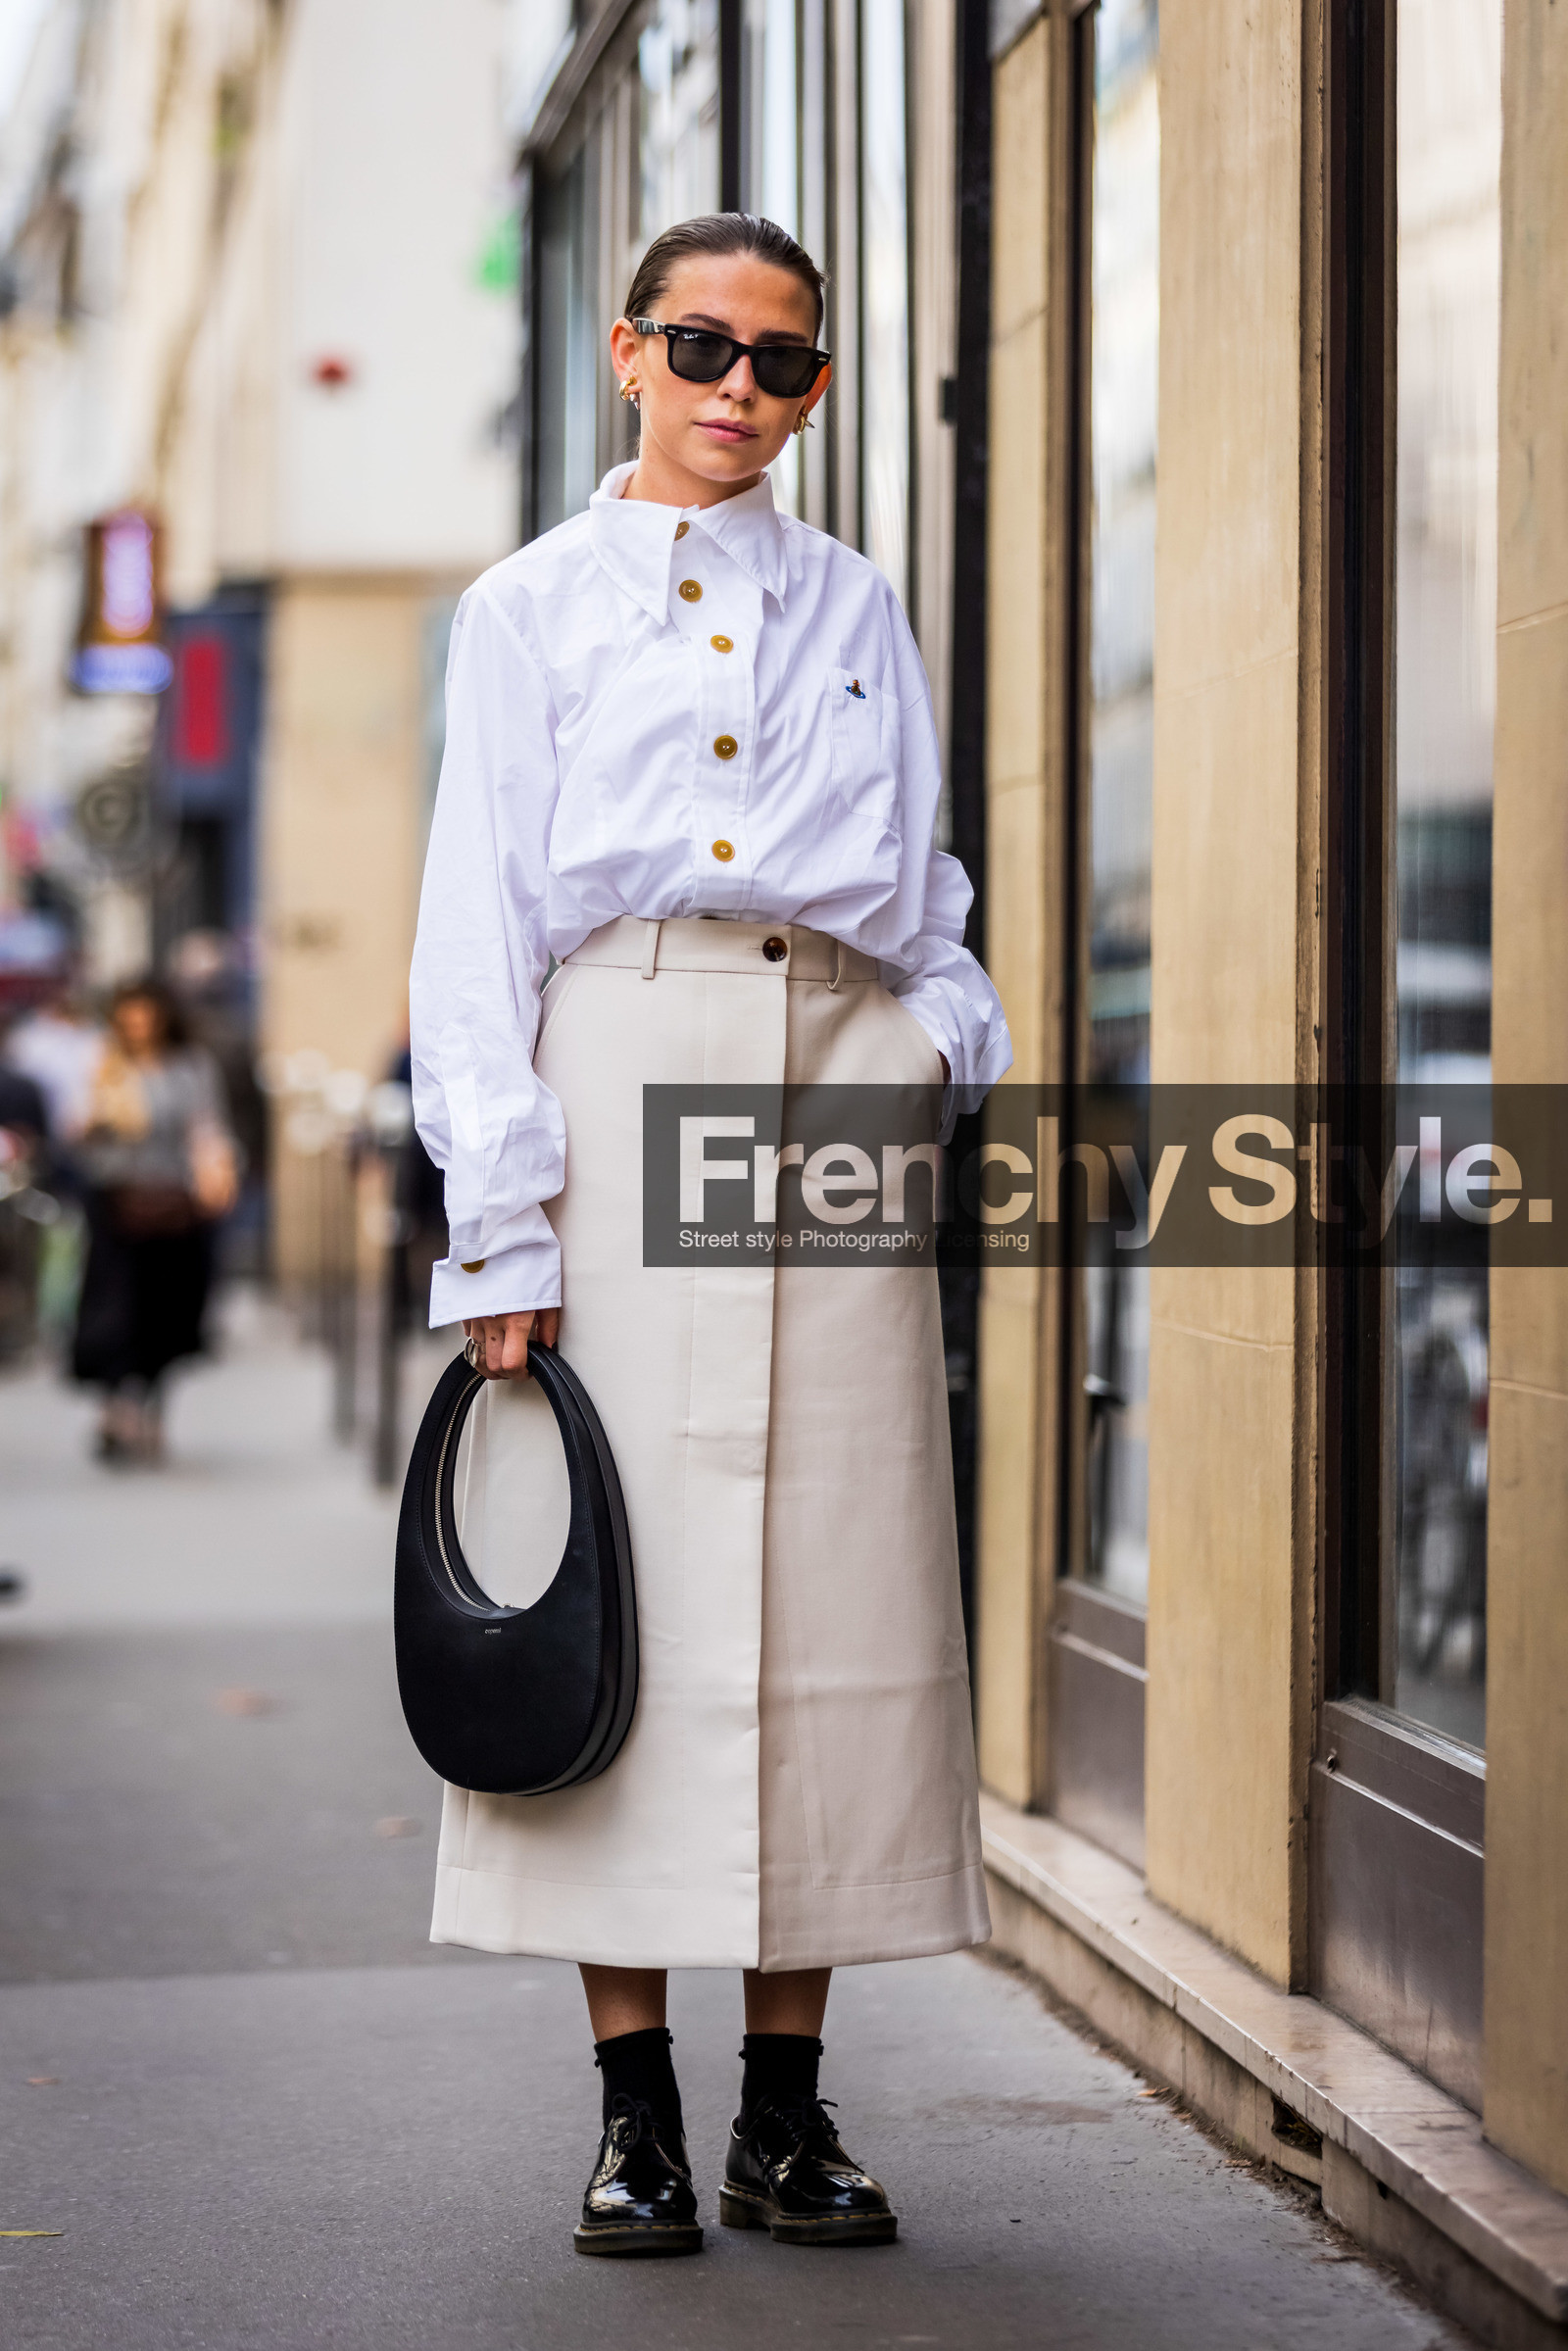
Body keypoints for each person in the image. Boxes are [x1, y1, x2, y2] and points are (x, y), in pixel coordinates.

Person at [410, 212, 1012, 2258]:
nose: (741, 392)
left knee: (830, 1595)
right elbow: (474, 925)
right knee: (628, 1594)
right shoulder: (525, 606)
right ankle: (629, 2111)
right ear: (627, 350)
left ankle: (782, 2103)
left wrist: (929, 1044)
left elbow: (921, 874)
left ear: (818, 385)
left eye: (785, 364)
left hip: (834, 1072)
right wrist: (500, 1224)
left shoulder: (855, 599)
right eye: (704, 347)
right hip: (623, 1055)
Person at [72, 977, 237, 1462]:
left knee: (167, 1312)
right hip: (117, 1204)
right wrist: (94, 1124)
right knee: (116, 1311)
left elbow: (208, 1127)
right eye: (130, 1020)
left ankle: (150, 1406)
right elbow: (78, 1129)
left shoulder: (190, 1068)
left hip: (175, 1207)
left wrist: (216, 1174)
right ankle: (118, 1406)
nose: (139, 1028)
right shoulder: (106, 1065)